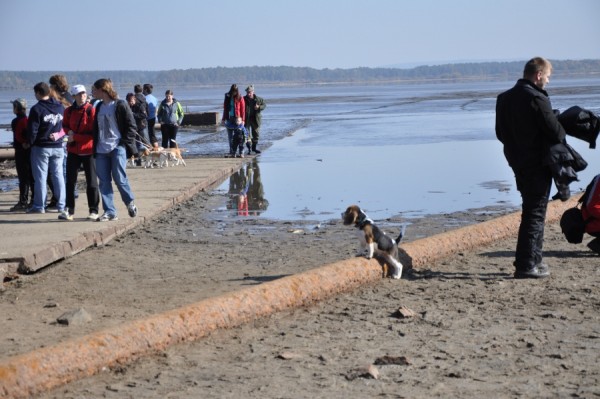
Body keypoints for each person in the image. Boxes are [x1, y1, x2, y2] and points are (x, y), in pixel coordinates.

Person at [495, 57, 567, 279]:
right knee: (535, 213)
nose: (548, 81)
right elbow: (556, 133)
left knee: (533, 209)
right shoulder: (537, 98)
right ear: (538, 75)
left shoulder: (504, 98)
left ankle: (535, 259)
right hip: (537, 163)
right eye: (547, 76)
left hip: (518, 162)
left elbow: (500, 133)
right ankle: (526, 264)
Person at [91, 78, 138, 222]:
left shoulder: (120, 104)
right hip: (101, 150)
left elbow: (132, 126)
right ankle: (110, 211)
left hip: (117, 147)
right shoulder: (98, 106)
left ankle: (130, 203)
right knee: (104, 182)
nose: (92, 92)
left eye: (94, 89)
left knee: (119, 178)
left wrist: (123, 143)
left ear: (102, 90)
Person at [26, 82, 67, 218]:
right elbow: (64, 126)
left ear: (38, 93)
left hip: (41, 146)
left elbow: (32, 130)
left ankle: (39, 205)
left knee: (41, 177)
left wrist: (30, 143)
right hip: (58, 146)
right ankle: (61, 204)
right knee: (58, 175)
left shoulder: (36, 109)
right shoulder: (60, 107)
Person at [62, 84, 99, 221]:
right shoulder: (68, 111)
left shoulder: (91, 110)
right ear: (73, 96)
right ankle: (69, 210)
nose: (82, 96)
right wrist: (68, 132)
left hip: (88, 150)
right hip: (73, 150)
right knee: (70, 181)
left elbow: (92, 134)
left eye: (83, 93)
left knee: (92, 182)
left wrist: (74, 137)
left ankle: (93, 210)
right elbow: (64, 125)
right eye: (79, 94)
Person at [9, 98, 34, 211]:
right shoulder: (28, 119)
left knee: (23, 178)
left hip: (21, 151)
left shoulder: (16, 121)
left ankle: (23, 201)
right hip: (30, 151)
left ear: (16, 108)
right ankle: (33, 200)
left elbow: (19, 136)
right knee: (31, 176)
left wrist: (24, 143)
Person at [221, 84, 245, 156]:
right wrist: (223, 119)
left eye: (235, 91)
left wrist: (243, 120)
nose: (234, 93)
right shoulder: (227, 96)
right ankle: (232, 151)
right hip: (230, 118)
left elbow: (243, 109)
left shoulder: (240, 97)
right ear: (231, 90)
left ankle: (241, 152)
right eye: (233, 91)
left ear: (237, 91)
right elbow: (225, 108)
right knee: (230, 136)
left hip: (238, 119)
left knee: (239, 136)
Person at [244, 84, 266, 154]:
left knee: (256, 134)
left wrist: (259, 107)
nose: (249, 94)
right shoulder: (243, 99)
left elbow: (264, 105)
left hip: (255, 119)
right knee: (247, 135)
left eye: (250, 92)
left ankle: (254, 148)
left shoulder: (258, 99)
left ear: (253, 92)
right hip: (246, 119)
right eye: (247, 92)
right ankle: (249, 149)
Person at [133, 84, 150, 150]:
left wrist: (133, 114)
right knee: (146, 140)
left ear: (134, 90)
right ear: (142, 90)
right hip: (144, 122)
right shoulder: (144, 98)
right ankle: (150, 154)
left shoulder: (134, 99)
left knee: (137, 140)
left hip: (136, 122)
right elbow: (147, 111)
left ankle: (138, 154)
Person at [143, 83, 159, 149]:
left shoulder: (144, 99)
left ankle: (148, 150)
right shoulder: (155, 98)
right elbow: (156, 109)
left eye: (143, 89)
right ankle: (157, 149)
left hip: (146, 119)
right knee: (152, 135)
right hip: (153, 118)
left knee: (145, 135)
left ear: (146, 90)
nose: (142, 91)